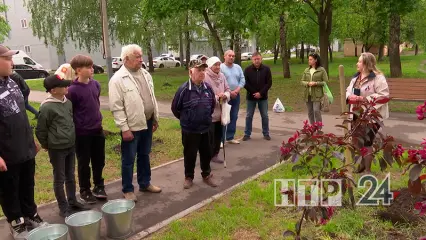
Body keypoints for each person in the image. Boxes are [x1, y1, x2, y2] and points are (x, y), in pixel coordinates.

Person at [0, 45, 48, 239]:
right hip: (6, 152)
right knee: (9, 188)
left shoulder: (13, 81)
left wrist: (32, 141)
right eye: (7, 58)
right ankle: (16, 222)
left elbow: (21, 113)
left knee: (27, 184)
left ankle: (31, 214)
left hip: (25, 146)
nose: (12, 62)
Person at [109, 44, 162, 202]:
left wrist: (155, 118)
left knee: (144, 155)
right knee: (129, 158)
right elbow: (116, 108)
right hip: (131, 126)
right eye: (137, 57)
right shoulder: (117, 80)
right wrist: (124, 129)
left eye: (141, 56)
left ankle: (145, 183)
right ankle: (128, 189)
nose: (141, 59)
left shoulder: (145, 74)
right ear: (126, 59)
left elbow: (151, 98)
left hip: (147, 122)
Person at [36, 74, 90, 218]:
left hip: (70, 145)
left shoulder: (68, 102)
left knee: (70, 175)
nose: (67, 87)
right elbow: (41, 130)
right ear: (53, 90)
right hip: (57, 148)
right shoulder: (47, 107)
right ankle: (63, 206)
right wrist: (47, 145)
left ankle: (73, 201)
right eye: (64, 86)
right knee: (59, 178)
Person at [66, 55, 107, 204]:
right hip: (82, 134)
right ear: (78, 70)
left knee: (99, 160)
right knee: (84, 163)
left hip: (97, 130)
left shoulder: (95, 84)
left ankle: (99, 186)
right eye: (88, 67)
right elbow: (70, 112)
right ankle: (85, 189)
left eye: (92, 66)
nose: (92, 69)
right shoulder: (72, 90)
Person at [171, 60, 218, 189]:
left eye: (204, 70)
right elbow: (175, 108)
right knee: (190, 154)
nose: (202, 73)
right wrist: (187, 120)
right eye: (199, 70)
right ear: (191, 72)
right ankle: (189, 177)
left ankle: (206, 175)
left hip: (206, 128)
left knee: (206, 153)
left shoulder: (208, 88)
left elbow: (212, 105)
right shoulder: (183, 90)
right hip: (190, 130)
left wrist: (205, 118)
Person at [346, 52, 390, 174]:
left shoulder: (378, 78)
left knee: (367, 141)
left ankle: (368, 171)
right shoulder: (356, 78)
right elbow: (348, 90)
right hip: (356, 114)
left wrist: (365, 99)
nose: (357, 63)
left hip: (371, 116)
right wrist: (350, 97)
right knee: (356, 140)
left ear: (366, 64)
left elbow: (384, 95)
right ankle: (362, 164)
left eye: (359, 61)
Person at [204, 56, 231, 164]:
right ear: (210, 66)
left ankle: (215, 154)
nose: (218, 67)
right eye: (215, 64)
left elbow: (228, 89)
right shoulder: (205, 76)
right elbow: (204, 94)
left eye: (219, 64)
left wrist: (225, 95)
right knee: (209, 136)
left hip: (221, 112)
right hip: (210, 113)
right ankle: (206, 156)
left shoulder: (222, 76)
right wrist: (216, 97)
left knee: (218, 136)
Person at [242, 52, 272, 141]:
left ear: (261, 59)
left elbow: (269, 83)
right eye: (255, 59)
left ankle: (266, 133)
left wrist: (261, 93)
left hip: (263, 97)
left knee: (265, 116)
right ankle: (247, 134)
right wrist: (254, 92)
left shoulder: (266, 69)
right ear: (252, 60)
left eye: (258, 59)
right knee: (248, 115)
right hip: (251, 97)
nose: (256, 61)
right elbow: (245, 83)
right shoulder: (247, 70)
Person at [220, 50, 245, 144]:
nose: (231, 57)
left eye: (233, 56)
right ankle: (221, 139)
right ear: (224, 56)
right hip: (225, 96)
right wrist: (230, 93)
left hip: (236, 95)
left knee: (234, 116)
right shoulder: (221, 68)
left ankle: (230, 137)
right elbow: (220, 82)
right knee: (223, 117)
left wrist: (236, 91)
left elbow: (242, 80)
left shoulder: (237, 67)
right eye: (229, 55)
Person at [301, 53, 328, 125]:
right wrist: (307, 83)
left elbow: (325, 81)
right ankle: (312, 128)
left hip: (317, 94)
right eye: (308, 59)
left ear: (315, 60)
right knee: (310, 112)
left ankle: (319, 128)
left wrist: (316, 83)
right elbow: (302, 81)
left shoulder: (321, 70)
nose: (309, 61)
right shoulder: (306, 70)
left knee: (316, 111)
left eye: (311, 59)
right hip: (308, 94)